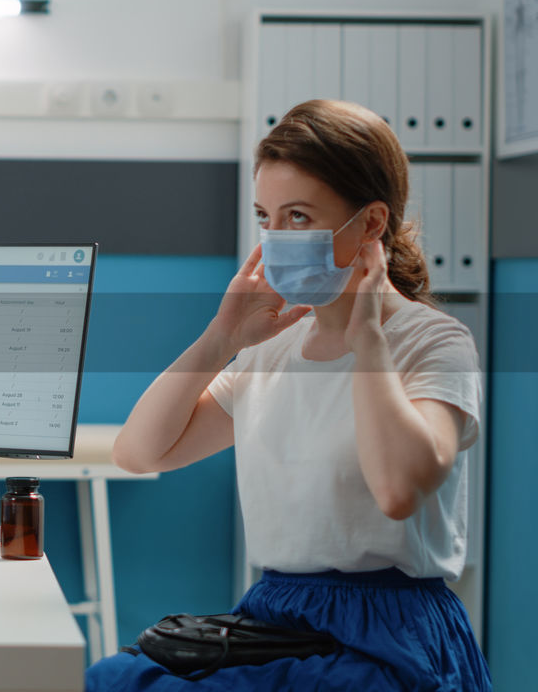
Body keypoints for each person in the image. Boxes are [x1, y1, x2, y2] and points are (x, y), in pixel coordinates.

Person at [86, 99, 490, 691]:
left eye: (298, 217)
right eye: (265, 217)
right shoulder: (273, 350)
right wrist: (219, 339)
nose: (276, 238)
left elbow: (399, 490)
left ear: (372, 224)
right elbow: (140, 452)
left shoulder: (434, 343)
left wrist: (369, 343)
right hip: (276, 613)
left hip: (388, 629)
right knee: (116, 679)